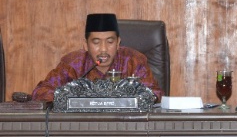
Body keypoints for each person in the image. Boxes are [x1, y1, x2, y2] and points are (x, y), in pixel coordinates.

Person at [32, 13, 163, 102]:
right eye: (96, 42)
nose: (103, 49)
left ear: (118, 43)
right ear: (86, 45)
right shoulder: (73, 64)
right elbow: (41, 91)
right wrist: (72, 97)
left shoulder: (133, 61)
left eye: (110, 42)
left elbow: (155, 93)